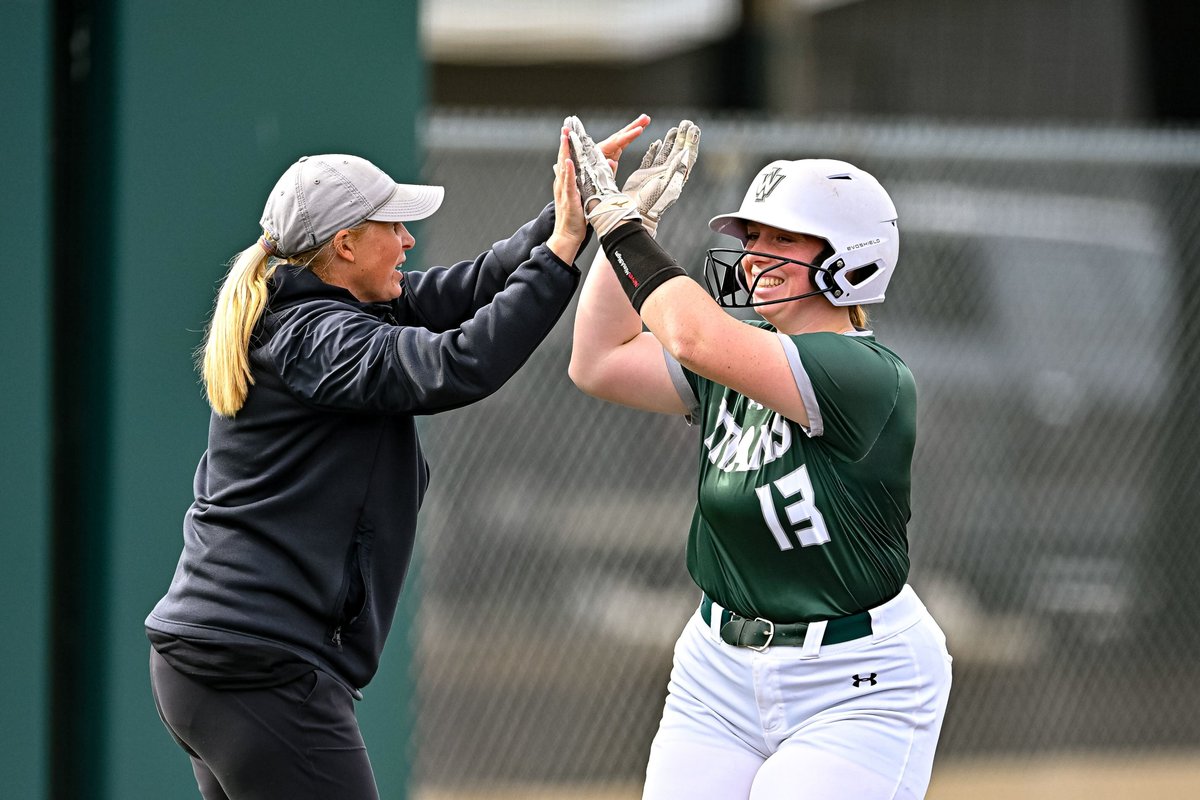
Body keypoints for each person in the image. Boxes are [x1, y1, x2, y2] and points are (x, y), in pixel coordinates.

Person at [145, 119, 648, 800]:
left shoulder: (324, 307)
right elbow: (459, 364)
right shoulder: (320, 337)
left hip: (220, 658)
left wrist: (574, 215)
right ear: (345, 244)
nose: (408, 240)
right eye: (393, 227)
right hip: (260, 667)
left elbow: (469, 286)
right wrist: (560, 252)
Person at [566, 117, 953, 800]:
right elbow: (597, 361)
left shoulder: (863, 372)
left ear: (852, 255)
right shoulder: (738, 352)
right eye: (752, 238)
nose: (753, 256)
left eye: (783, 238)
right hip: (718, 666)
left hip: (856, 675)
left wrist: (625, 229)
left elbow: (690, 334)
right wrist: (629, 228)